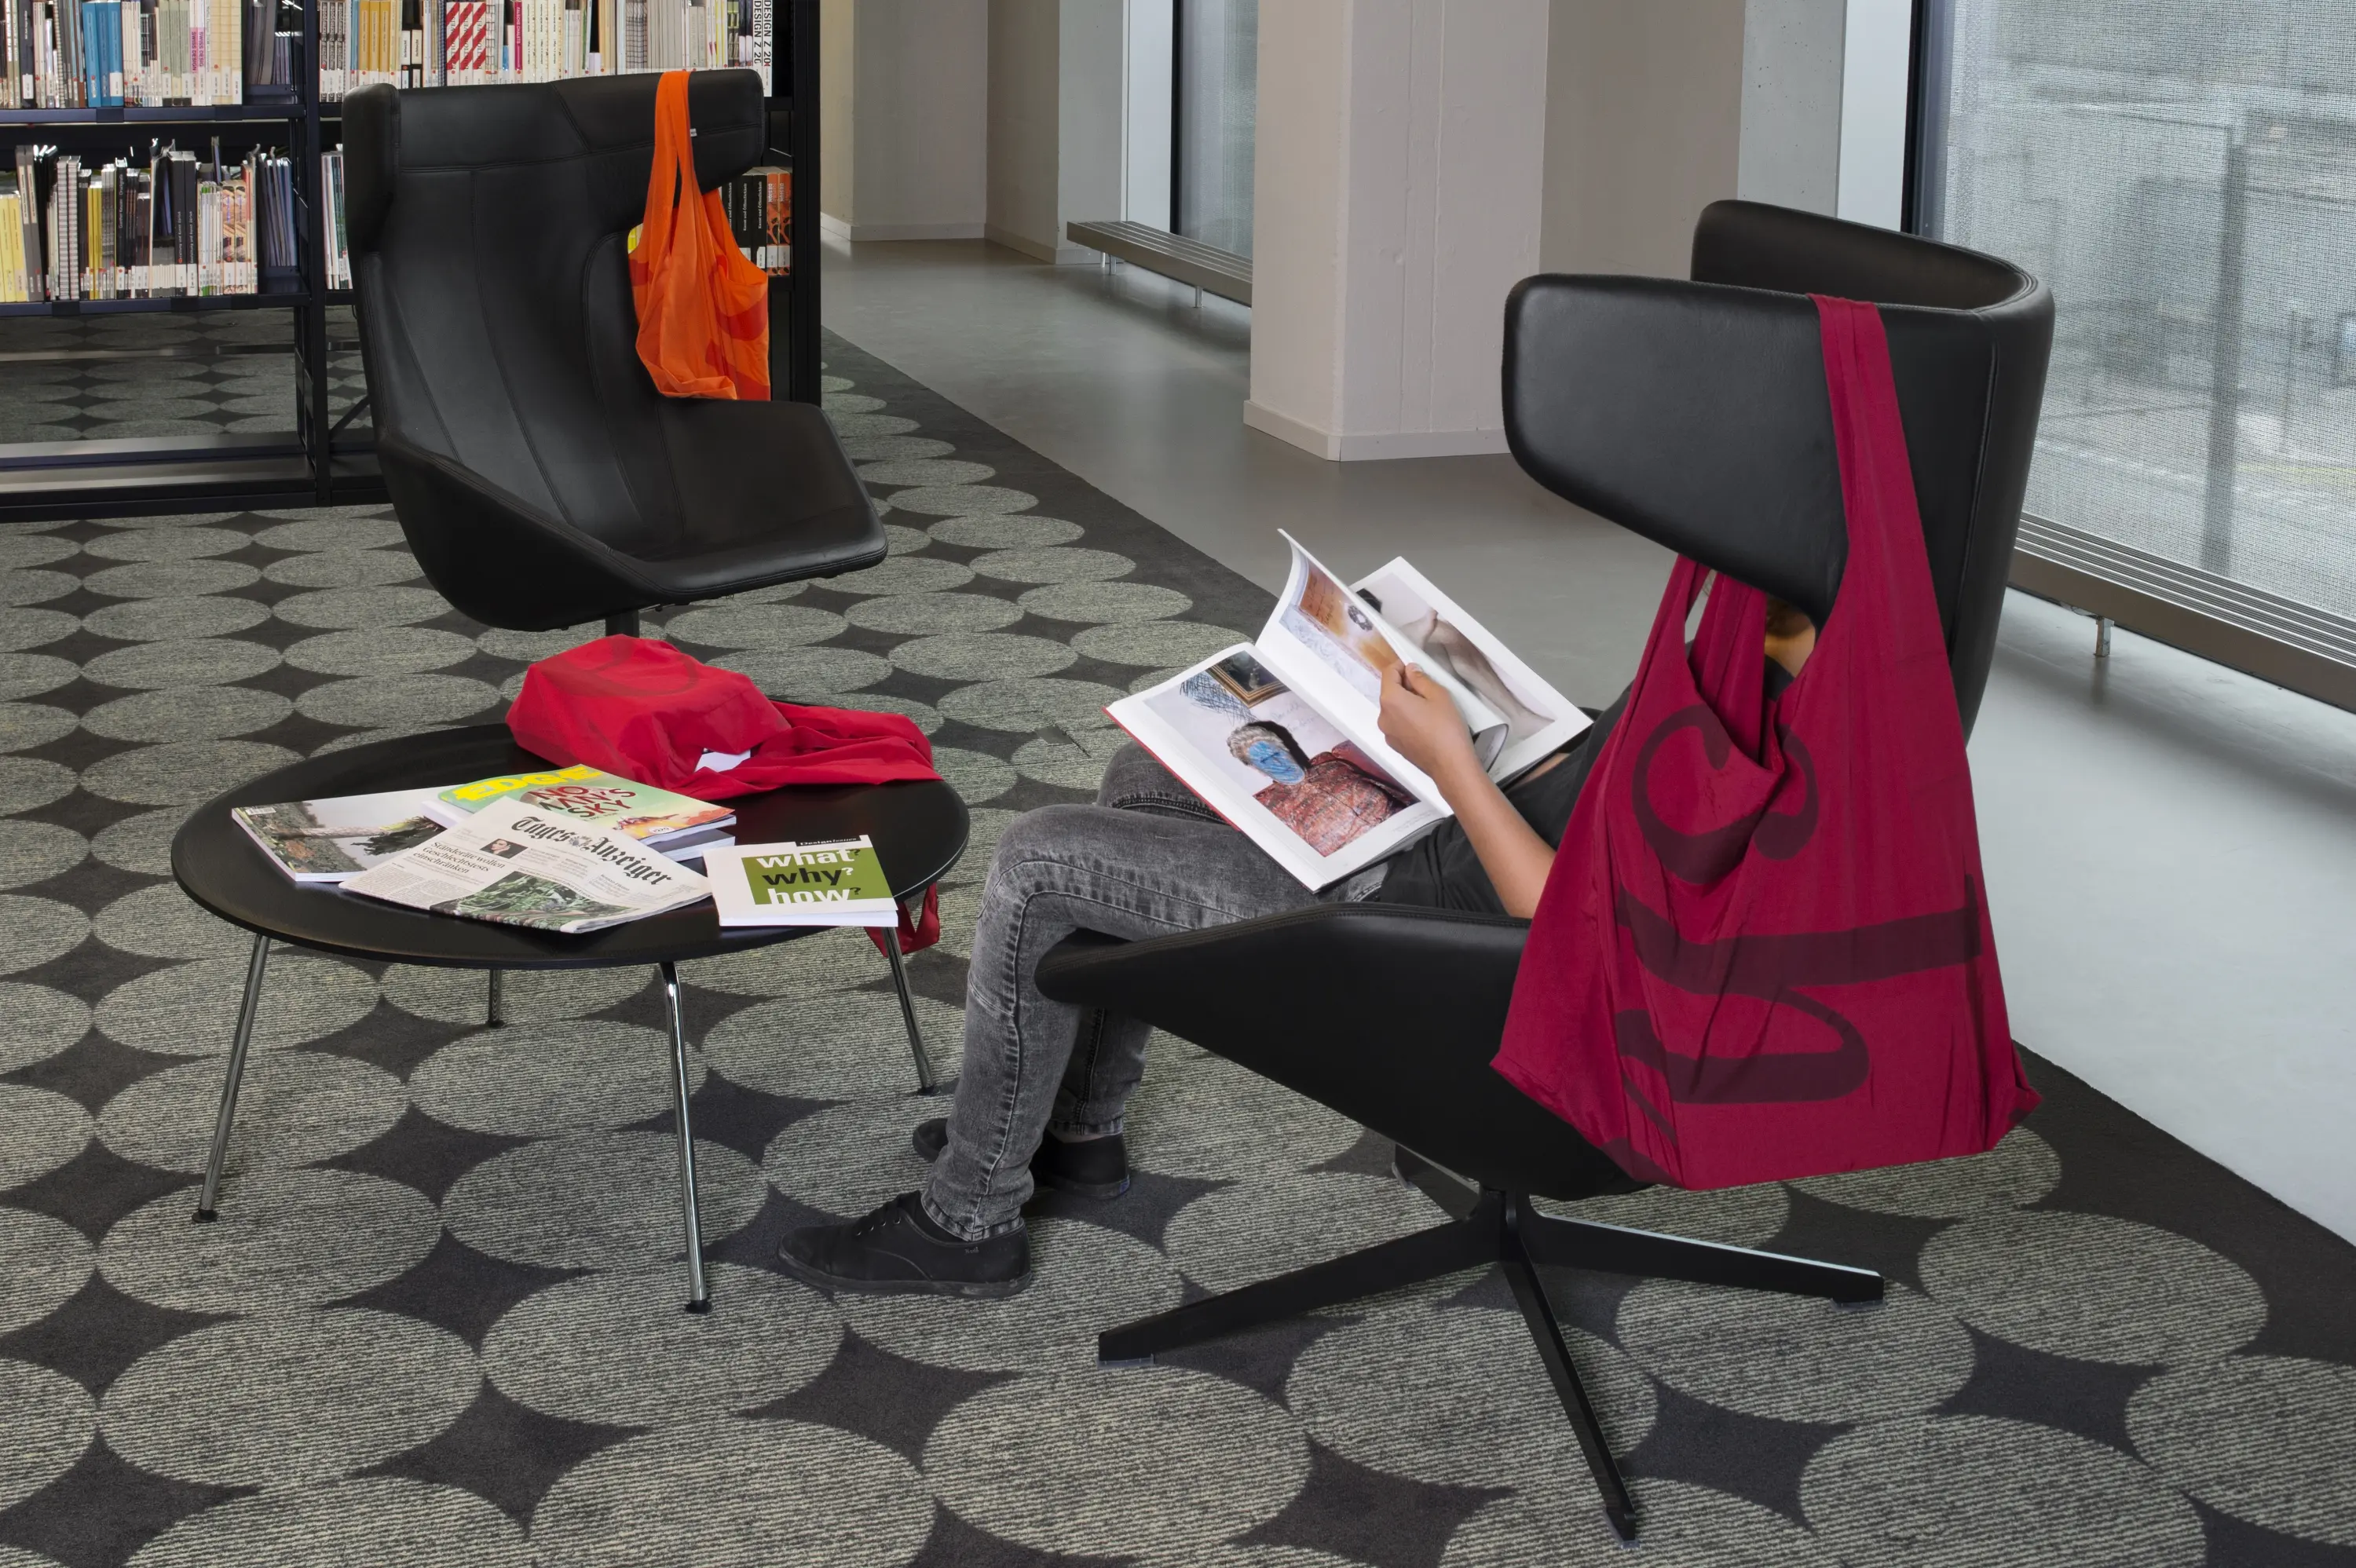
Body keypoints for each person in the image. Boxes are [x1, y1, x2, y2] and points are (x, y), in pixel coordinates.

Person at [774, 598, 1820, 1298]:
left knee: (1040, 861)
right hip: (1426, 839)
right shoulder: (1768, 646)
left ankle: (967, 1222)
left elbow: (1574, 934)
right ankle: (1077, 1132)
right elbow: (1608, 785)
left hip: (1409, 919)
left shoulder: (1761, 731)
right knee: (1150, 783)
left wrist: (1452, 764)